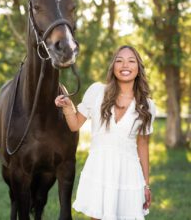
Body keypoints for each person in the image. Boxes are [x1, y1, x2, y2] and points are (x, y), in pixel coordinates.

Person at [55, 45, 156, 220]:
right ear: (113, 66)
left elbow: (143, 145)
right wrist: (67, 106)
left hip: (128, 173)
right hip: (99, 169)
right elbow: (74, 125)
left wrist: (146, 186)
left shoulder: (147, 105)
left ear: (138, 68)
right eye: (119, 61)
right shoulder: (97, 91)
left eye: (131, 61)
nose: (125, 65)